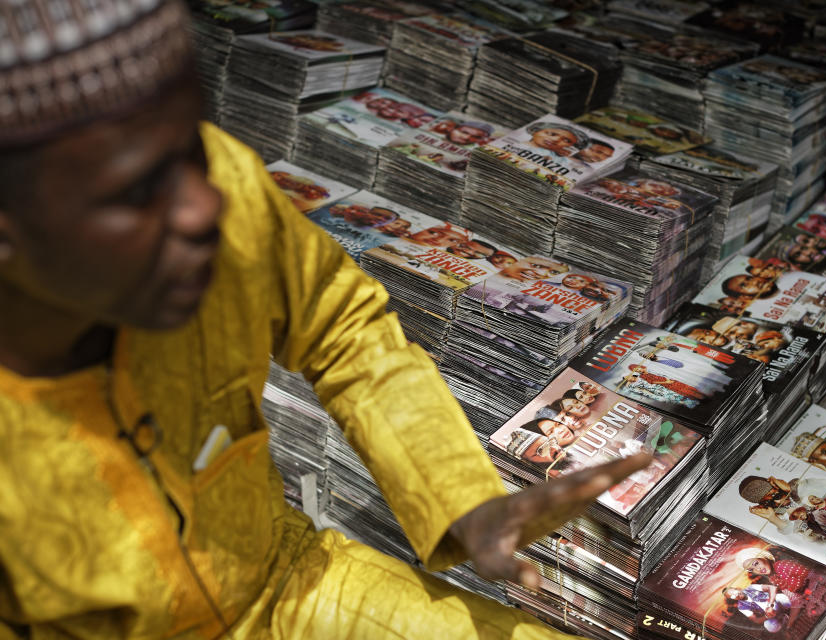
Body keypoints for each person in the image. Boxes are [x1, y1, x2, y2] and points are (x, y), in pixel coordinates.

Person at [0, 2, 655, 638]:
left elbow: (342, 325)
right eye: (138, 191)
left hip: (286, 581)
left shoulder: (227, 192)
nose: (205, 206)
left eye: (195, 147)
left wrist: (468, 503)